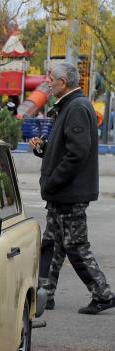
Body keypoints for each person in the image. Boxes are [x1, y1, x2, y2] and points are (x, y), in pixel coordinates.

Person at [29, 62, 115, 315]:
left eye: (50, 78)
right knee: (51, 244)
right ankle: (46, 294)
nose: (47, 82)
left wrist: (54, 180)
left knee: (76, 246)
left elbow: (77, 153)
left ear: (63, 82)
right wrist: (43, 149)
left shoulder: (77, 107)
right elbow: (65, 148)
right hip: (62, 193)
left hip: (69, 193)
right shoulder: (69, 106)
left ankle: (103, 294)